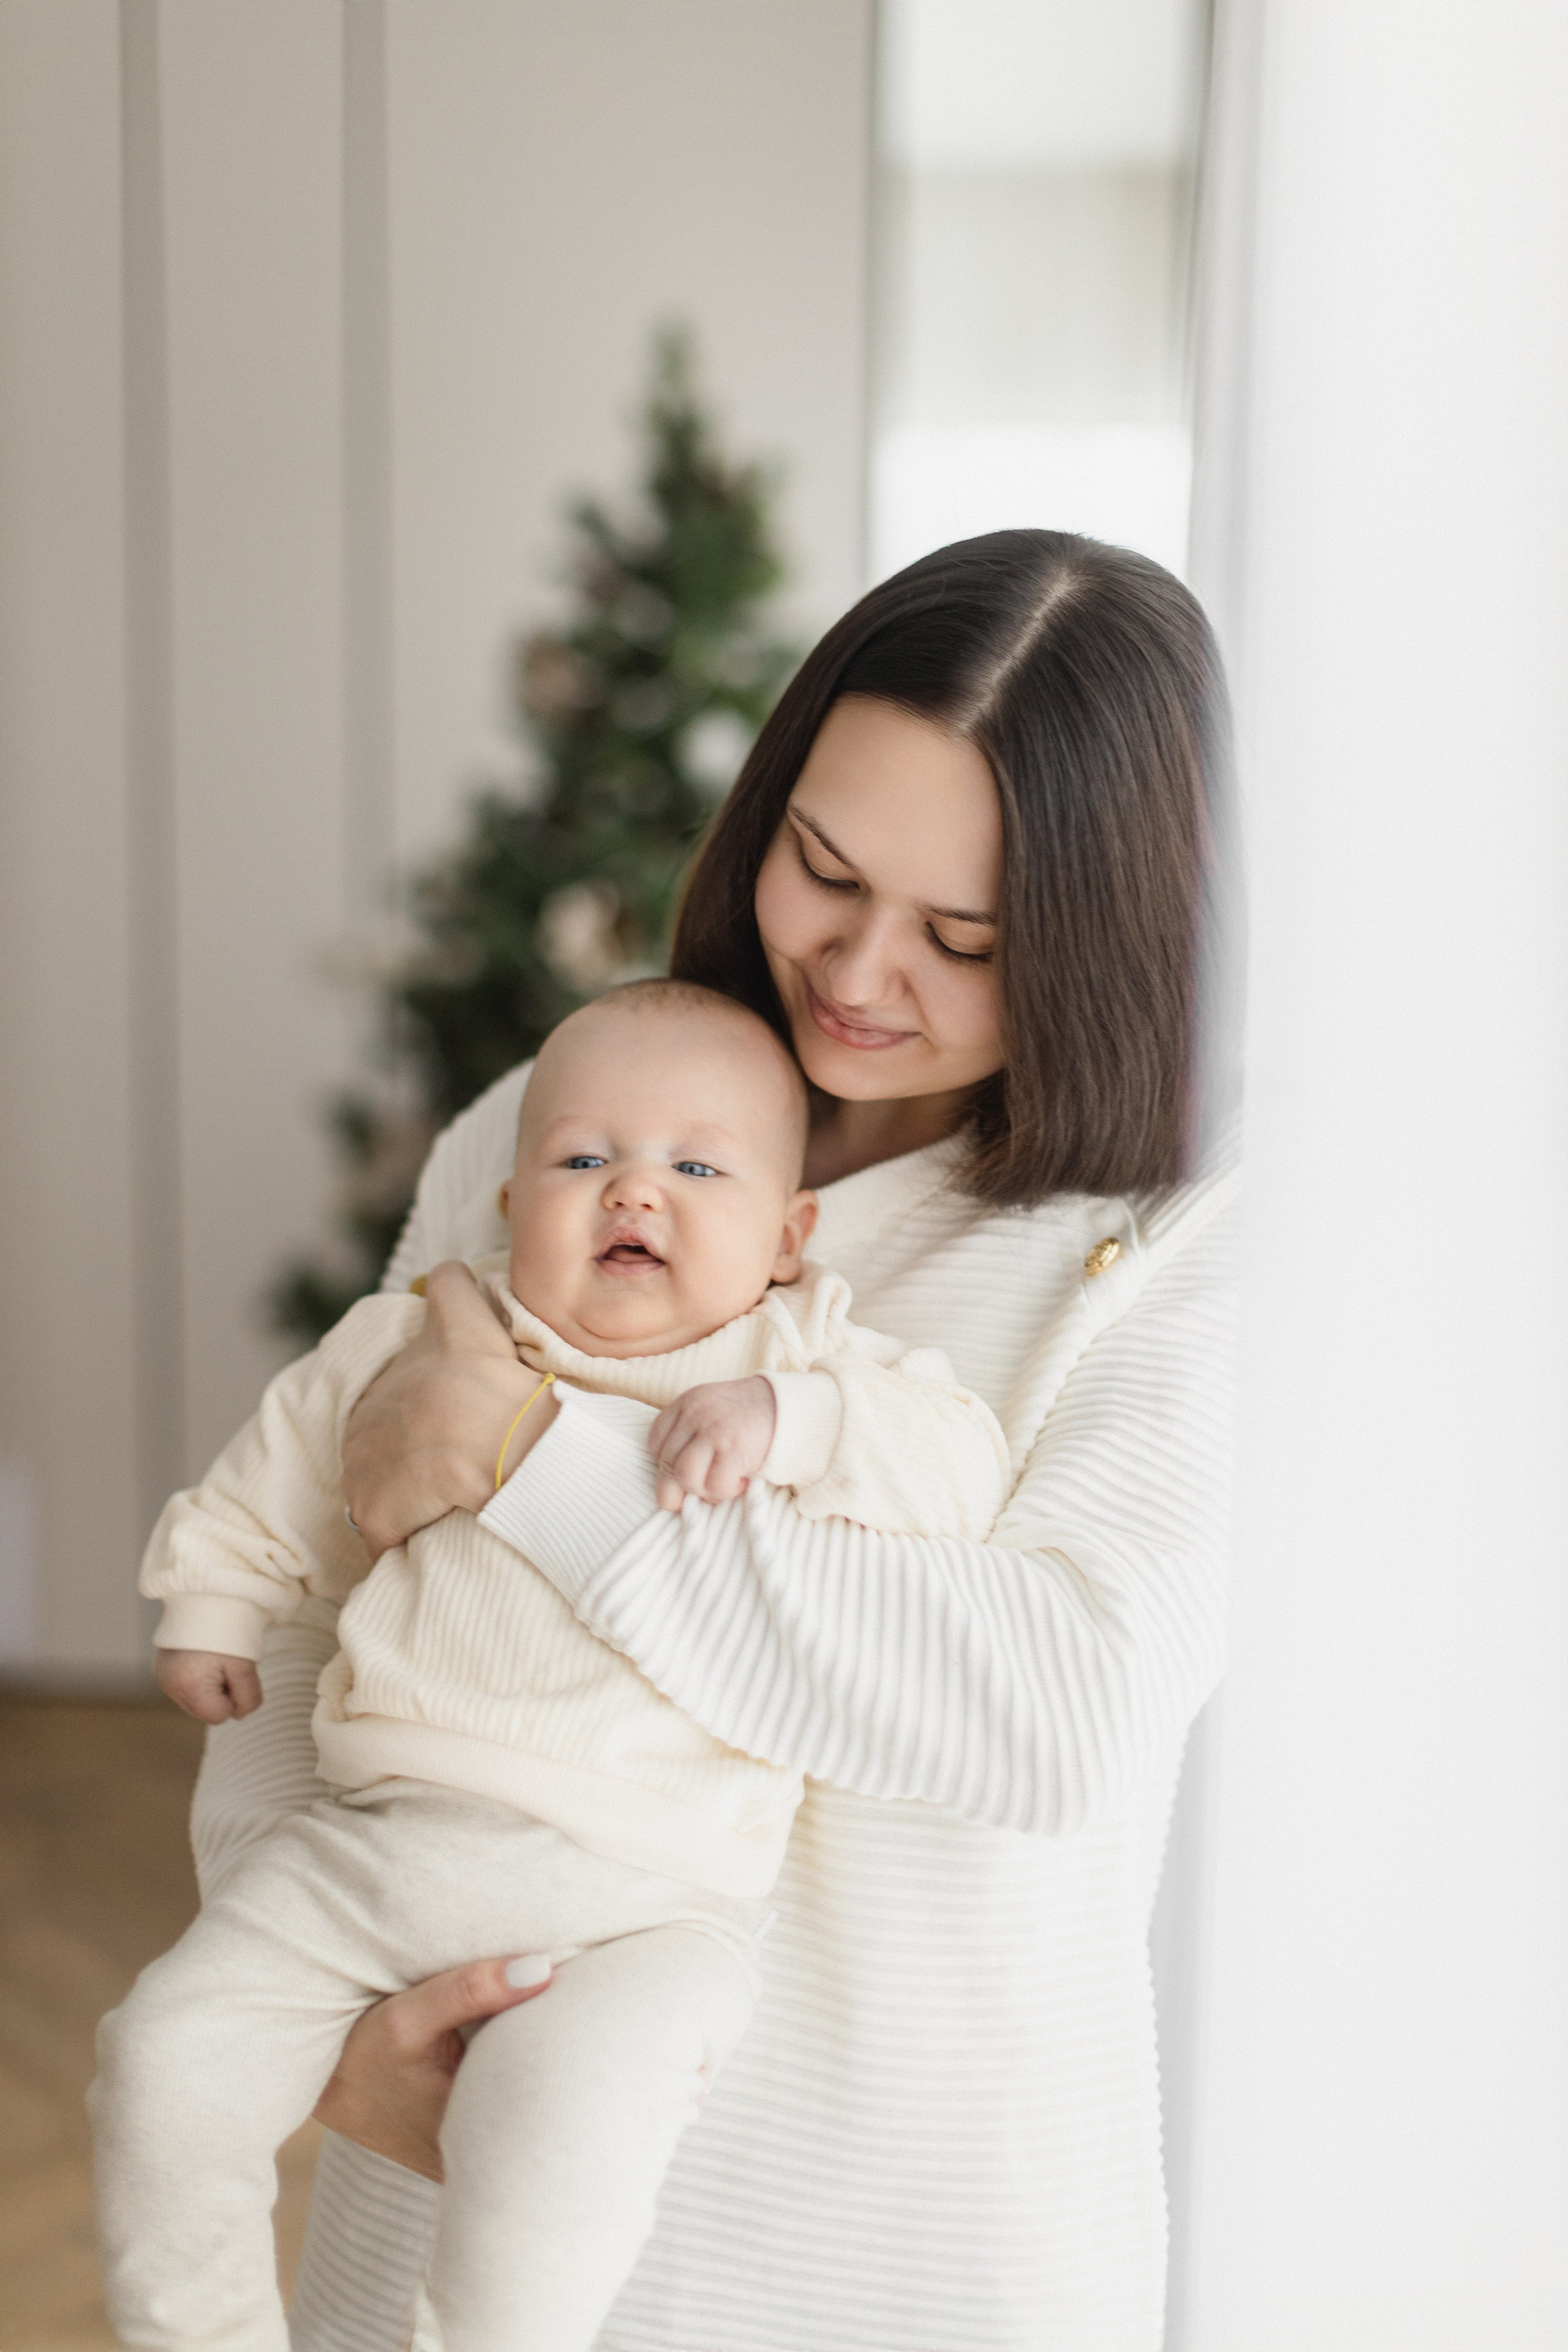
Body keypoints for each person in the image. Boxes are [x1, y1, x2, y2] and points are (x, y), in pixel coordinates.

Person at [195, 529, 1239, 2352]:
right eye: (821, 867)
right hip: (452, 2173)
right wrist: (320, 2013)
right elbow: (317, 1589)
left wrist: (531, 1459)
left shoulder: (1189, 1242)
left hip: (891, 2248)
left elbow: (1063, 1710)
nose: (857, 970)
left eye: (966, 940)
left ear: (1113, 942)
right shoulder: (556, 1120)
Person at [91, 983, 1008, 2352]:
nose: (634, 1191)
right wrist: (218, 1595)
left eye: (698, 1168)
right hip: (373, 1851)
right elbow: (286, 1460)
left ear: (787, 1236)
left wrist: (801, 1419)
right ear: (513, 1204)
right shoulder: (427, 1330)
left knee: (556, 2136)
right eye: (584, 1159)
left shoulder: (804, 1352)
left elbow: (960, 1467)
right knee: (163, 2059)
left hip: (645, 1909)